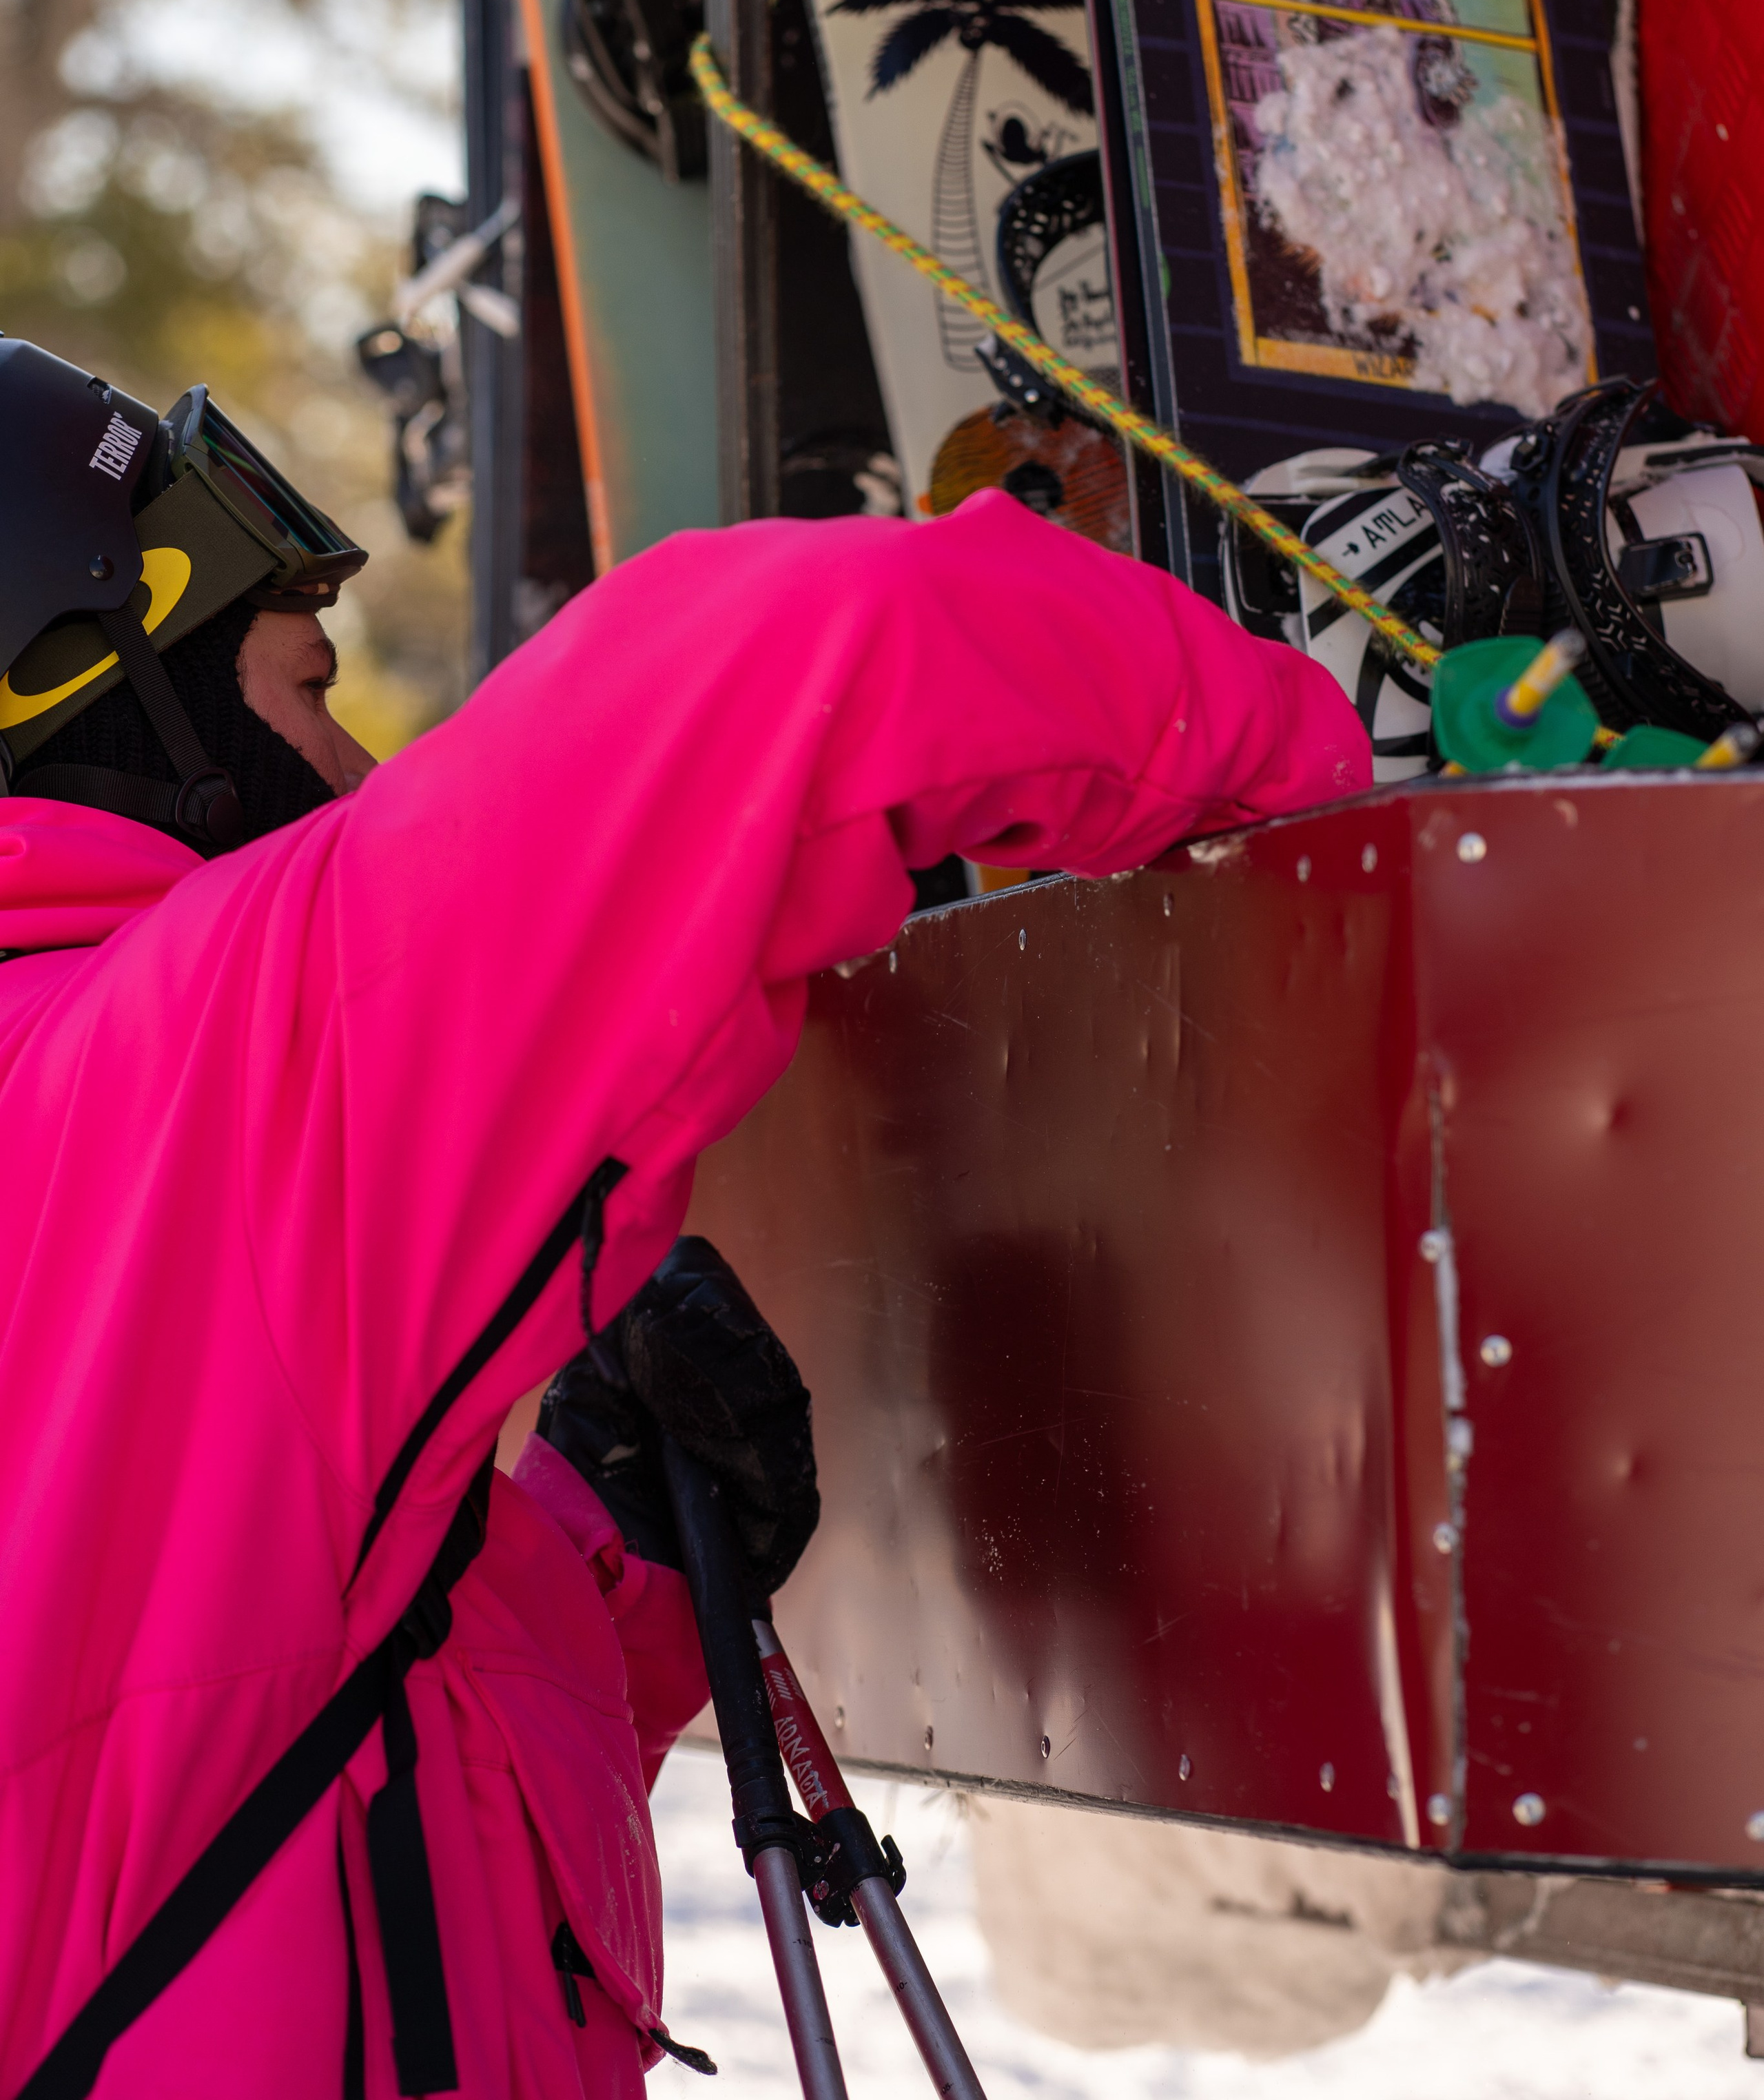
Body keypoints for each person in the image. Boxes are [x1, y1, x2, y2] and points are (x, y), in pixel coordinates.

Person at [0, 338, 1370, 2099]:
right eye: (300, 688)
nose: (348, 769)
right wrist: (1332, 747)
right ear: (101, 701)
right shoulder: (173, 1075)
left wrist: (611, 1561)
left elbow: (229, 1745)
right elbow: (788, 666)